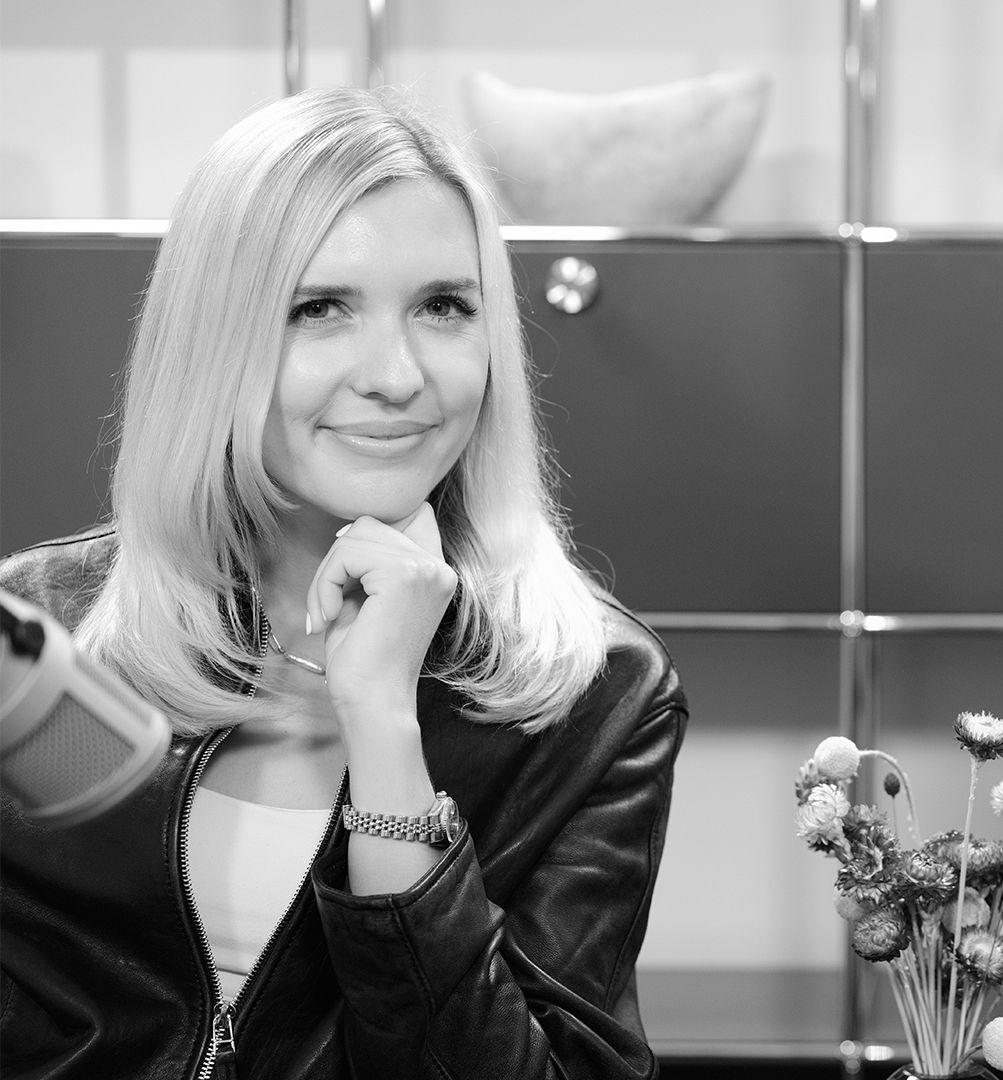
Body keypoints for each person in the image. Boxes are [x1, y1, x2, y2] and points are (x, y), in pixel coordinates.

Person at [0, 87, 688, 1078]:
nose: (398, 374)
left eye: (444, 307)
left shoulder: (598, 693)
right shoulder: (39, 627)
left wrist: (385, 733)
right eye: (319, 309)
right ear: (216, 337)